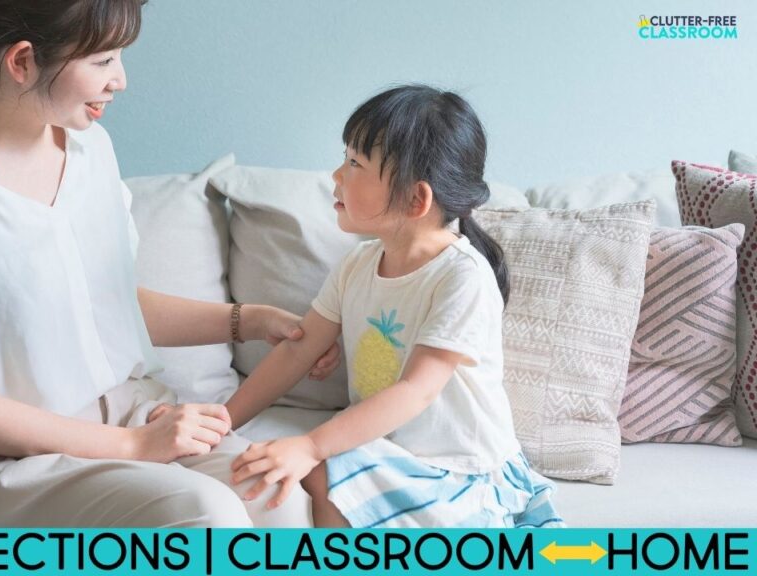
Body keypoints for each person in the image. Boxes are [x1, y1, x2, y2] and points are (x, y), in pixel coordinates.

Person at [0, 0, 340, 528]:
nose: (120, 80)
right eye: (103, 61)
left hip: (130, 416)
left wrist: (248, 320)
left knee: (277, 494)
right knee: (204, 511)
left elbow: (109, 305)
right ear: (22, 62)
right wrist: (131, 445)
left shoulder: (90, 149)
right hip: (11, 464)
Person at [220, 85, 565, 528]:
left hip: (460, 472)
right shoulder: (358, 264)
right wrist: (222, 421)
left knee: (322, 466)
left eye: (355, 164)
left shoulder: (462, 276)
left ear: (415, 199)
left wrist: (309, 445)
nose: (336, 175)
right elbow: (297, 350)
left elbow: (416, 390)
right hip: (394, 454)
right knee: (318, 469)